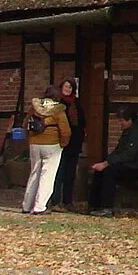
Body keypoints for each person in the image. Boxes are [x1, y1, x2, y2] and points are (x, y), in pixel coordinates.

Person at [91, 105, 138, 214]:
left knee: (109, 172)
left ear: (130, 120)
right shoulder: (129, 131)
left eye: (122, 120)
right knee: (100, 171)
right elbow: (119, 151)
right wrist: (105, 162)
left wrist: (107, 163)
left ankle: (107, 207)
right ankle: (94, 205)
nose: (120, 123)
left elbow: (130, 154)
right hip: (129, 165)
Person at [20, 96, 70, 214]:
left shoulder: (35, 108)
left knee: (34, 174)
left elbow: (25, 124)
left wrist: (30, 140)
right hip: (52, 145)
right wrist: (63, 143)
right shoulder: (58, 111)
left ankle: (26, 206)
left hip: (34, 144)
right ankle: (40, 206)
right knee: (47, 176)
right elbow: (66, 131)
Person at [51, 78, 85, 209]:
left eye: (70, 87)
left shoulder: (76, 103)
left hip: (75, 141)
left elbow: (82, 121)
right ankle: (55, 201)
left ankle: (68, 201)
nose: (67, 89)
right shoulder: (58, 103)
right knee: (59, 172)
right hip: (61, 141)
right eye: (66, 87)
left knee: (70, 174)